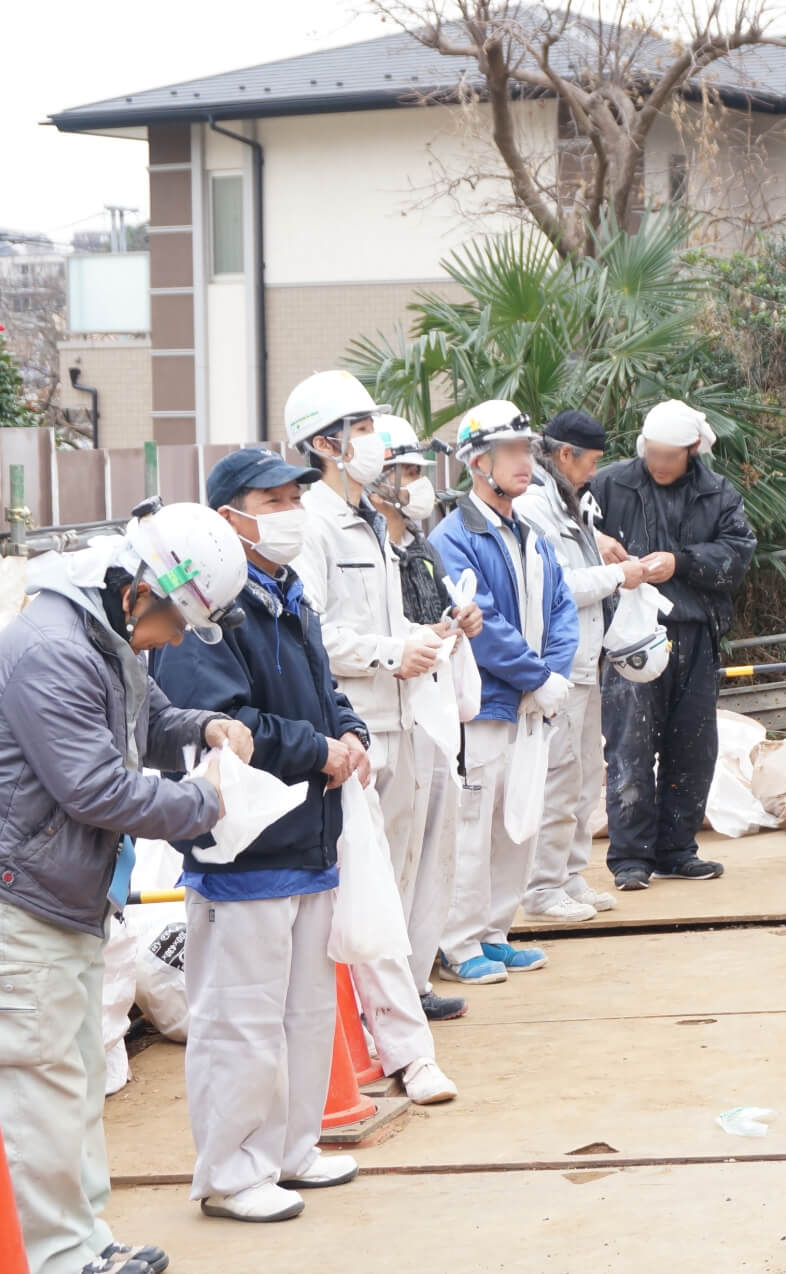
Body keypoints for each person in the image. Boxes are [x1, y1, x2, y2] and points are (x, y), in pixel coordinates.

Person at [0, 500, 255, 1274]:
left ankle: (82, 1241)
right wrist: (208, 800)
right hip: (14, 893)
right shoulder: (54, 650)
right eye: (176, 622)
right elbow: (98, 790)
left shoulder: (103, 631)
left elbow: (143, 717)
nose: (176, 640)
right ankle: (56, 1257)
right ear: (141, 590)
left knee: (72, 1078)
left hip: (55, 886)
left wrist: (202, 727)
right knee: (40, 1083)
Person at [146, 448, 374, 1224]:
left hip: (308, 837)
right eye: (271, 500)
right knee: (238, 1021)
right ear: (228, 517)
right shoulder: (204, 612)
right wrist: (319, 751)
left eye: (293, 497)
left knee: (305, 1014)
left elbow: (324, 689)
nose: (289, 513)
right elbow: (225, 724)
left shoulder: (288, 591)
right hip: (245, 851)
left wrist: (351, 734)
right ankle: (231, 1171)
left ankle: (289, 1149)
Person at [284, 371, 464, 1089]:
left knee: (400, 887)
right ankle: (400, 1051)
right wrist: (391, 652)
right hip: (359, 728)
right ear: (325, 443)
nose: (370, 443)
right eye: (359, 430)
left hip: (403, 717)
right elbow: (315, 631)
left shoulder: (370, 524)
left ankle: (390, 1040)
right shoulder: (314, 525)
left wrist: (420, 638)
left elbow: (375, 624)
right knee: (371, 895)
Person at [429, 400, 579, 982]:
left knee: (517, 820)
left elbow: (561, 606)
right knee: (472, 825)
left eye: (526, 449)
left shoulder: (530, 533)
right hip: (484, 705)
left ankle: (495, 931)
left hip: (528, 705)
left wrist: (553, 675)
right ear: (477, 462)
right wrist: (538, 677)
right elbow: (480, 622)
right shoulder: (455, 536)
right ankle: (459, 943)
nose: (526, 462)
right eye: (512, 451)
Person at [590, 399, 756, 890]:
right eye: (652, 454)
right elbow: (562, 522)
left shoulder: (716, 492)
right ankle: (630, 858)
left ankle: (678, 849)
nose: (659, 465)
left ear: (693, 451)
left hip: (696, 629)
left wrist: (681, 562)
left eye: (670, 456)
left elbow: (739, 553)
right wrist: (594, 539)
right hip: (629, 634)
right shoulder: (610, 483)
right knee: (630, 745)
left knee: (694, 745)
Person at [364, 413, 486, 1017]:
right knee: (387, 858)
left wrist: (462, 621)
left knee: (433, 852)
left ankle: (414, 982)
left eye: (418, 470)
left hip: (436, 718)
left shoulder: (424, 547)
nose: (417, 483)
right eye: (406, 471)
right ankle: (379, 999)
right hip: (385, 719)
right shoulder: (360, 545)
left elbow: (443, 611)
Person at [515, 409, 643, 922]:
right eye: (589, 462)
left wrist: (603, 548)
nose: (595, 472)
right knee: (560, 776)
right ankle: (541, 887)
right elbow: (556, 585)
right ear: (564, 455)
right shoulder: (533, 505)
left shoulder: (572, 500)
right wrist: (619, 576)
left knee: (588, 772)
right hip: (557, 662)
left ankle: (569, 875)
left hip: (587, 657)